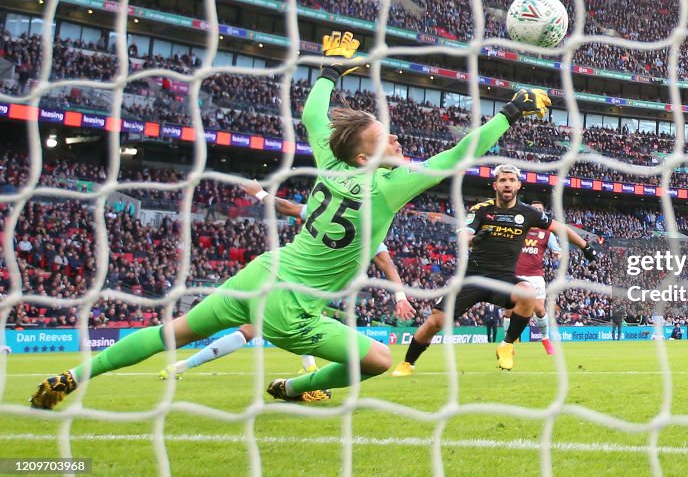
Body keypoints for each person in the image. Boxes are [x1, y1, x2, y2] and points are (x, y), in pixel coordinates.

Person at [30, 31, 552, 409]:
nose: (395, 139)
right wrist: (509, 110)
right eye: (385, 136)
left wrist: (328, 68)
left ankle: (74, 376)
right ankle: (294, 388)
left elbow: (311, 117)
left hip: (263, 271)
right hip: (293, 305)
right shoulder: (391, 186)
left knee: (173, 331)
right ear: (367, 154)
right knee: (376, 361)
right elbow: (458, 155)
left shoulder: (331, 162)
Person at [156, 180, 414, 382]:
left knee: (256, 328)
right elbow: (386, 263)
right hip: (301, 285)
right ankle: (309, 370)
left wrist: (259, 193)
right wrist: (400, 297)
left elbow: (289, 208)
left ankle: (182, 365)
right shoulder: (368, 230)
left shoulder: (330, 209)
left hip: (283, 274)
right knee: (259, 328)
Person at [391, 164, 596, 375]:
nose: (507, 184)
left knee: (528, 293)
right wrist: (474, 240)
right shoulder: (481, 210)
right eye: (502, 180)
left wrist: (585, 246)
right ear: (495, 185)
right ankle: (408, 363)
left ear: (518, 185)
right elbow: (463, 236)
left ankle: (507, 345)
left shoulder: (529, 213)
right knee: (435, 322)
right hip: (473, 278)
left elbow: (559, 228)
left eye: (511, 180)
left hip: (503, 278)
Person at [500, 200, 563, 355]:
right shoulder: (518, 228)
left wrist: (557, 254)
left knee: (539, 309)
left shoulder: (547, 234)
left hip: (535, 276)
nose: (536, 211)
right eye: (533, 209)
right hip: (515, 275)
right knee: (508, 311)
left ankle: (545, 339)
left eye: (539, 209)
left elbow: (557, 250)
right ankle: (509, 344)